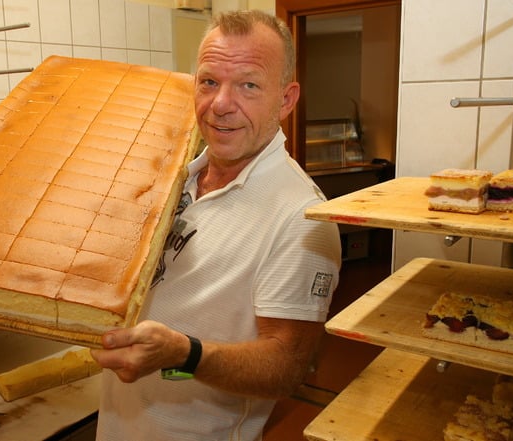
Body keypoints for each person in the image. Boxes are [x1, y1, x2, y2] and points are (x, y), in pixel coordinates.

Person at [90, 9, 341, 441]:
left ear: (285, 100)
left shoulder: (300, 217)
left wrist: (185, 356)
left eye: (248, 84)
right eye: (209, 81)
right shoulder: (174, 179)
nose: (220, 104)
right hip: (118, 424)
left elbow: (286, 369)